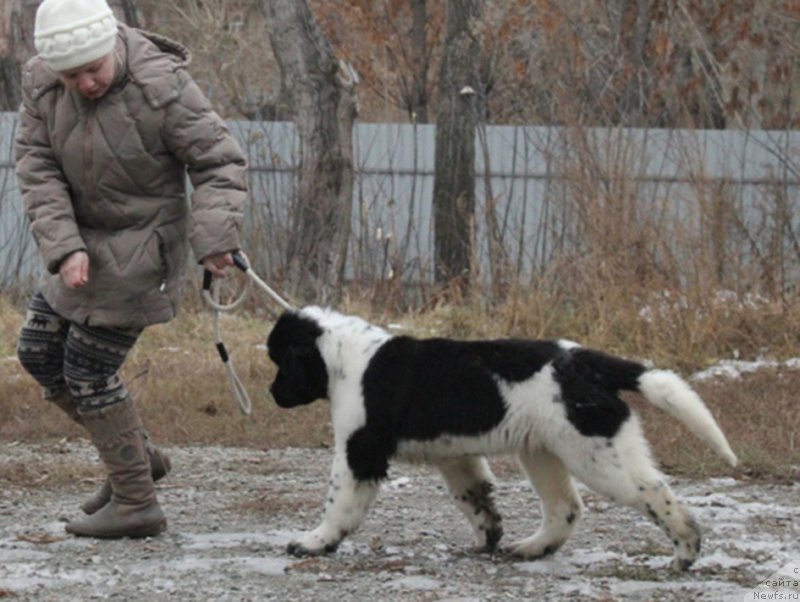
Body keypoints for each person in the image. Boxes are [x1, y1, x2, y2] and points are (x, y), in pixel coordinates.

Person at [15, 0, 247, 539]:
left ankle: (137, 502)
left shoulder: (160, 87)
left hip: (143, 251)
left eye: (93, 69)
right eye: (71, 75)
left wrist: (215, 241)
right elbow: (36, 165)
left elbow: (219, 160)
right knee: (38, 353)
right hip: (76, 248)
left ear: (111, 47)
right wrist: (64, 246)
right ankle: (136, 463)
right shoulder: (42, 83)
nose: (86, 83)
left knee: (88, 374)